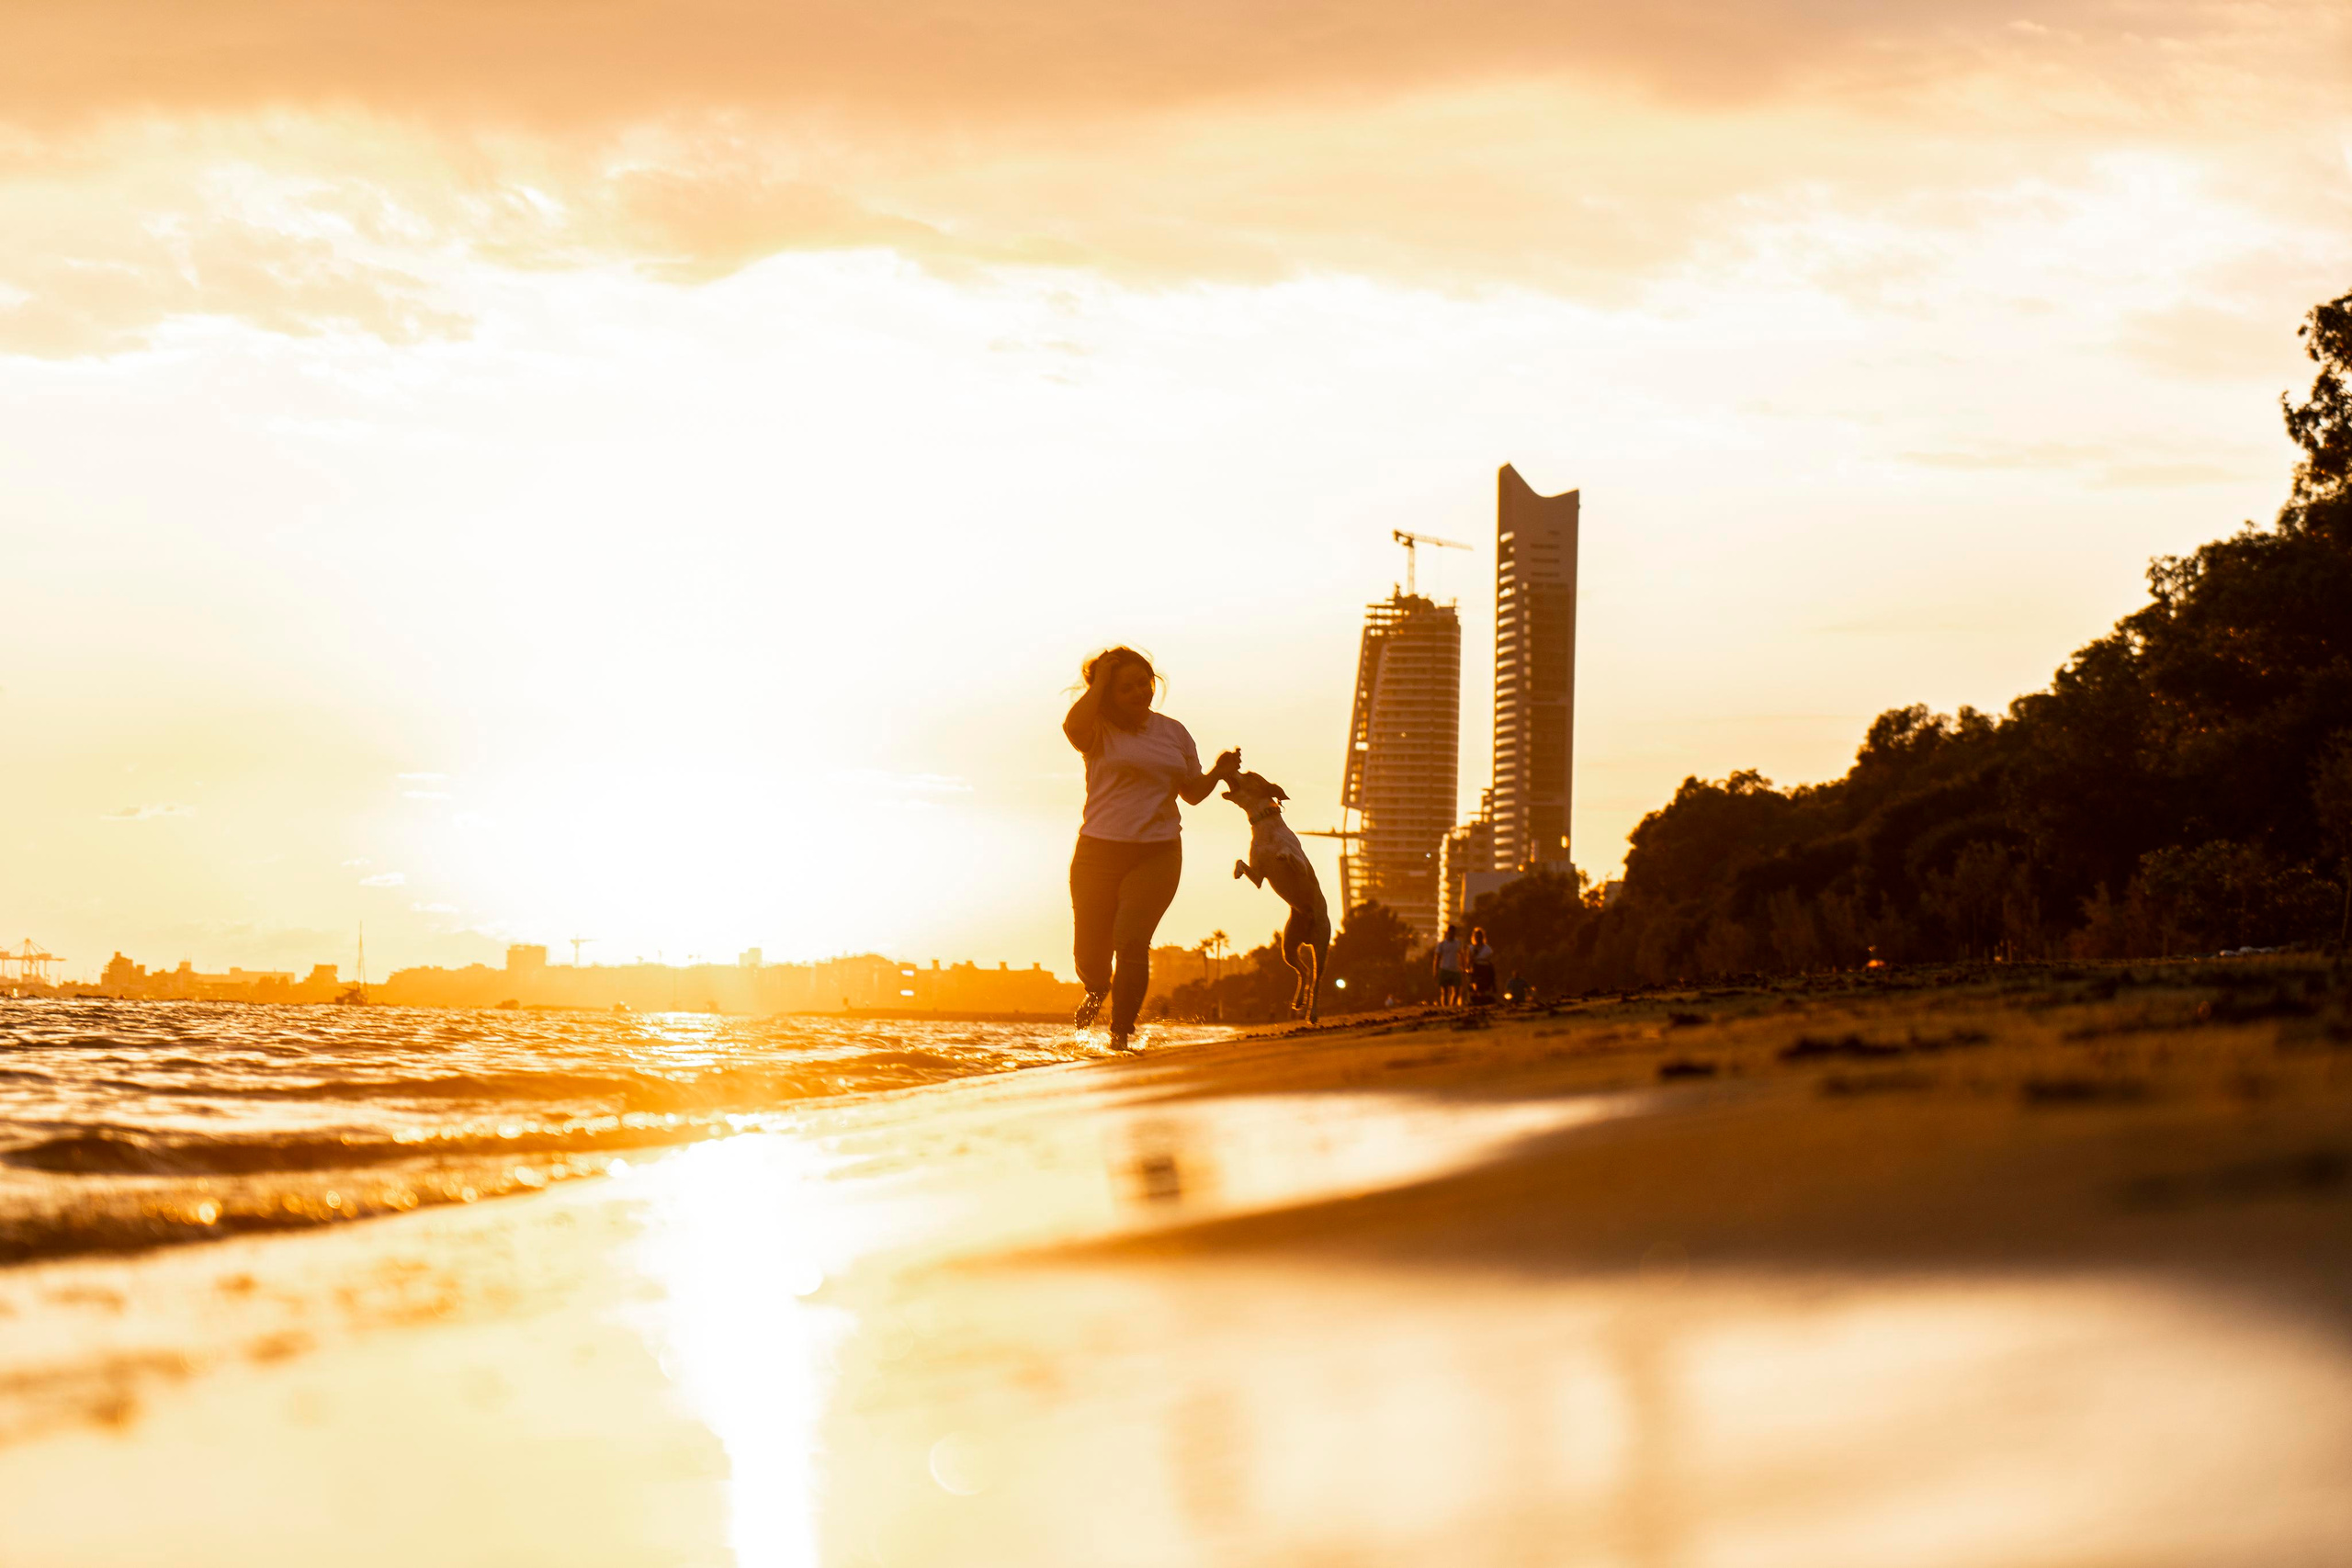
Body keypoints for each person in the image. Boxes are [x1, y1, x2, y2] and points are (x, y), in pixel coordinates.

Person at [1062, 646, 1238, 1051]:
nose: (1140, 692)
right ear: (1107, 693)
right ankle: (1095, 989)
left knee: (1131, 940)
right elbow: (1072, 728)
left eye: (1144, 682)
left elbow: (1191, 793)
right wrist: (1100, 682)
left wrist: (1218, 771)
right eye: (1126, 688)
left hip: (1157, 852)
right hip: (1098, 853)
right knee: (1090, 951)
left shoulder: (1174, 732)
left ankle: (1120, 1033)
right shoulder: (1096, 728)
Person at [1431, 923, 1464, 1008]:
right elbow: (1437, 958)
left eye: (1453, 932)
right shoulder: (1442, 944)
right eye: (1451, 932)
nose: (1452, 934)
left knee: (1456, 991)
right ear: (1448, 932)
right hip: (1444, 969)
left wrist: (1463, 968)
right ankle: (1445, 1007)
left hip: (1455, 969)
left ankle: (1452, 1006)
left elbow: (1461, 956)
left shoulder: (1458, 943)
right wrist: (1435, 970)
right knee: (1444, 991)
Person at [1466, 925, 1498, 1007]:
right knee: (1475, 986)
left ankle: (1483, 1000)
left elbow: (1491, 959)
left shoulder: (1487, 949)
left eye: (1479, 937)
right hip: (1475, 968)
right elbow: (1468, 960)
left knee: (1483, 987)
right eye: (1476, 937)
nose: (1478, 938)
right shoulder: (1471, 948)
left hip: (1485, 968)